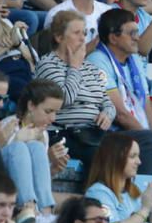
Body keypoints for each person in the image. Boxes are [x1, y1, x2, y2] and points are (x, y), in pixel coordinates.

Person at [90, 8, 152, 174]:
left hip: (138, 130)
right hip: (110, 134)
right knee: (151, 141)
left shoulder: (134, 61)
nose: (138, 38)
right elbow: (120, 115)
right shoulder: (98, 61)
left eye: (137, 32)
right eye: (131, 33)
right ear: (113, 38)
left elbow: (147, 108)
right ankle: (139, 195)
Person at [35, 10, 116, 170]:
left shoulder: (90, 67)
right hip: (65, 133)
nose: (82, 38)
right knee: (103, 155)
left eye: (84, 33)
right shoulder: (48, 64)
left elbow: (107, 102)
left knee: (134, 145)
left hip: (93, 133)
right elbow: (64, 99)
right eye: (77, 33)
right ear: (59, 37)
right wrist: (74, 67)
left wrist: (107, 114)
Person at [0, 79, 66, 223]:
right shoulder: (8, 125)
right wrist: (18, 139)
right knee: (21, 147)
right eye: (48, 111)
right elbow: (3, 161)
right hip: (4, 183)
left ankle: (45, 211)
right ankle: (26, 208)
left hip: (30, 194)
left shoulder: (44, 134)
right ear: (31, 105)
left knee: (36, 147)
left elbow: (34, 178)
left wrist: (52, 166)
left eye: (56, 113)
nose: (53, 118)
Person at [84, 133, 152, 223]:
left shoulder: (133, 191)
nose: (139, 162)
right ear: (115, 158)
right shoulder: (99, 193)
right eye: (133, 156)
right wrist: (145, 209)